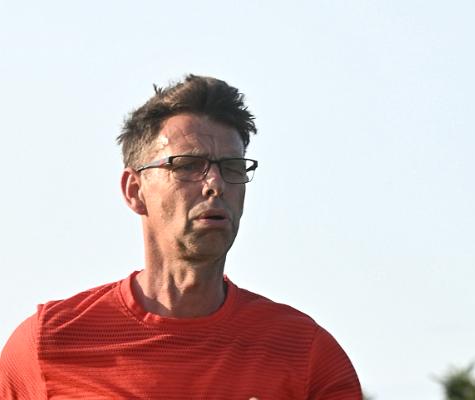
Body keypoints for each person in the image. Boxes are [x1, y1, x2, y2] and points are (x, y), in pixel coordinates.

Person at [0, 75, 362, 399]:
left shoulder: (305, 353)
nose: (215, 184)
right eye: (188, 165)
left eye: (232, 167)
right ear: (134, 190)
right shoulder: (48, 343)